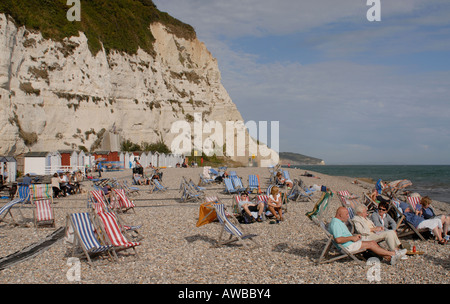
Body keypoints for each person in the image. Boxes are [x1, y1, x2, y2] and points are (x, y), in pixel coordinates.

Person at [329, 207, 404, 265]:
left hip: (350, 243)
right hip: (347, 247)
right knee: (371, 244)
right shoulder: (335, 223)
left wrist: (354, 237)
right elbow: (338, 240)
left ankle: (389, 258)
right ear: (340, 215)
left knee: (373, 243)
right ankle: (393, 254)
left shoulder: (339, 222)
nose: (348, 216)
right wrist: (352, 237)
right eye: (346, 214)